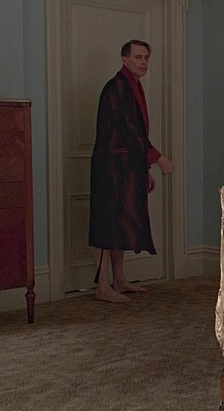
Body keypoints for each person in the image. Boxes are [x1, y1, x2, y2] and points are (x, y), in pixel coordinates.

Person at [88, 39, 174, 303]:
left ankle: (120, 280)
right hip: (110, 168)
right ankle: (102, 287)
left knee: (120, 223)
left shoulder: (131, 86)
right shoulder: (117, 88)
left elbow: (133, 135)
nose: (143, 62)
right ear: (124, 59)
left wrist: (143, 169)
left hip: (124, 167)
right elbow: (129, 131)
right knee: (105, 224)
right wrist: (158, 158)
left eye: (146, 57)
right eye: (138, 57)